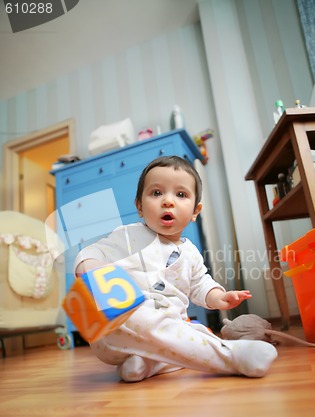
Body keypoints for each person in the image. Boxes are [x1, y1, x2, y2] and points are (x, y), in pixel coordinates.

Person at [74, 155, 277, 382]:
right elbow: (92, 252)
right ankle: (231, 357)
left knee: (194, 332)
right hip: (118, 331)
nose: (167, 201)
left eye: (180, 195)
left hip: (170, 332)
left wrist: (218, 296)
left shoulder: (190, 254)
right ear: (139, 206)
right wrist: (90, 266)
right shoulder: (129, 236)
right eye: (156, 193)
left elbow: (201, 283)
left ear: (195, 212)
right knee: (148, 318)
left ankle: (147, 364)